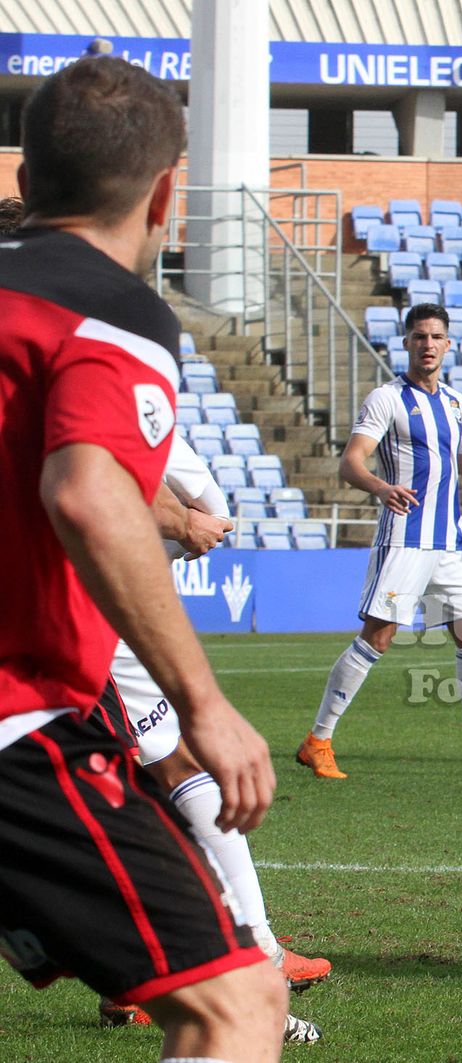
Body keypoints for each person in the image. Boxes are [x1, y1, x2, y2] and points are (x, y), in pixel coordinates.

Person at [0, 56, 285, 1062]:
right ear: (169, 191)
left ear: (26, 181)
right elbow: (87, 493)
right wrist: (203, 700)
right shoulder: (112, 310)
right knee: (237, 1006)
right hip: (15, 718)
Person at [92, 434, 327, 1042]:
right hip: (92, 602)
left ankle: (158, 969)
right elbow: (95, 480)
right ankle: (237, 960)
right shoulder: (102, 378)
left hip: (96, 592)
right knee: (145, 779)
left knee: (146, 774)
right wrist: (187, 521)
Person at [297, 303, 462, 780]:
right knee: (378, 638)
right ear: (406, 343)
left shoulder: (456, 404)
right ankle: (317, 740)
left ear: (448, 345)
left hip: (449, 545)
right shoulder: (386, 399)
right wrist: (382, 488)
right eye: (419, 337)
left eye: (435, 337)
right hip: (405, 539)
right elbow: (351, 462)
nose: (427, 345)